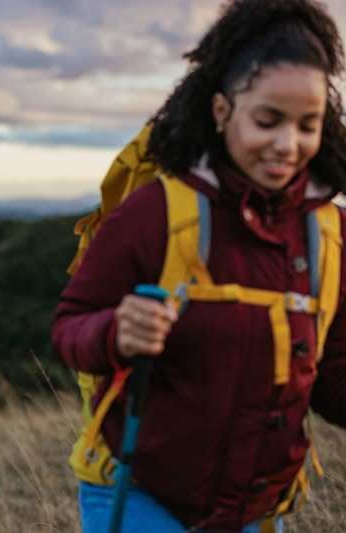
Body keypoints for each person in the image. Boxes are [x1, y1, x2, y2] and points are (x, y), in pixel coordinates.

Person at [52, 0, 346, 531]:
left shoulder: (327, 232)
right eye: (267, 120)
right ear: (221, 110)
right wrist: (116, 331)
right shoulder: (158, 212)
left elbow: (330, 373)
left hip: (255, 510)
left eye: (308, 125)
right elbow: (70, 326)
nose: (288, 145)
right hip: (137, 493)